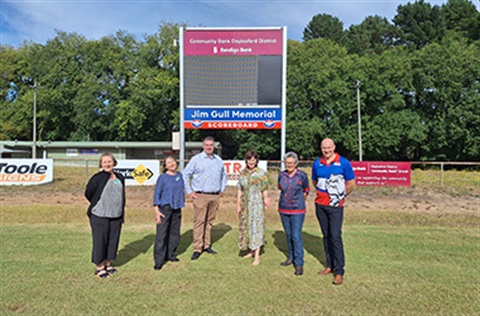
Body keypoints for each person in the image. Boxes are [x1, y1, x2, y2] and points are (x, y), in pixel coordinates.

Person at [312, 138, 355, 285]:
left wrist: (340, 197)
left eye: (329, 147)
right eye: (324, 148)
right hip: (320, 205)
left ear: (334, 147)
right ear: (321, 148)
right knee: (326, 236)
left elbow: (351, 184)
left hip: (336, 207)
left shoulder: (344, 163)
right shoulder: (317, 163)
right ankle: (329, 265)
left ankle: (339, 271)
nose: (326, 150)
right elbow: (315, 182)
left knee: (335, 236)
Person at [183, 136, 227, 260]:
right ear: (203, 146)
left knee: (209, 222)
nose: (209, 147)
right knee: (199, 222)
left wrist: (221, 190)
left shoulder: (218, 160)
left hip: (214, 196)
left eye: (211, 145)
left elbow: (224, 175)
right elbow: (186, 174)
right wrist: (189, 191)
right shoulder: (196, 159)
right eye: (207, 145)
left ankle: (206, 245)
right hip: (200, 195)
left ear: (214, 146)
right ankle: (197, 248)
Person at [85, 152, 125, 279]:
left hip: (116, 215)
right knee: (100, 240)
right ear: (101, 164)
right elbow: (88, 193)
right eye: (104, 162)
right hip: (100, 214)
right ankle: (99, 267)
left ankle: (108, 263)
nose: (107, 164)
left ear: (114, 162)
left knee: (112, 240)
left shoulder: (120, 176)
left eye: (109, 161)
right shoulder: (97, 178)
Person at [277, 151, 310, 276]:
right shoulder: (281, 175)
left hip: (297, 210)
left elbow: (306, 190)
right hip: (283, 209)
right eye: (287, 163)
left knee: (296, 236)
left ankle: (299, 263)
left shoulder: (302, 176)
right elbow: (281, 188)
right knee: (289, 235)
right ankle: (290, 257)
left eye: (291, 163)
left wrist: (299, 202)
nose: (289, 165)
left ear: (296, 163)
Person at [236, 150, 270, 266]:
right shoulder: (243, 173)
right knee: (247, 227)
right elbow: (240, 189)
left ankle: (257, 256)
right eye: (249, 159)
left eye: (253, 159)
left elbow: (264, 188)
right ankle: (251, 250)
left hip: (256, 204)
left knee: (256, 227)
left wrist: (266, 198)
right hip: (245, 204)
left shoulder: (261, 173)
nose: (251, 161)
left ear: (256, 160)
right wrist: (238, 204)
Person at [152, 156, 185, 270]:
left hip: (177, 207)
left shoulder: (179, 176)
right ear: (165, 166)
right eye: (169, 163)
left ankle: (170, 255)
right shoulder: (162, 178)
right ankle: (159, 260)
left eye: (173, 161)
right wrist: (157, 211)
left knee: (174, 233)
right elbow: (157, 194)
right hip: (165, 207)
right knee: (162, 234)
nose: (172, 164)